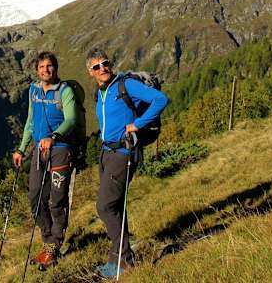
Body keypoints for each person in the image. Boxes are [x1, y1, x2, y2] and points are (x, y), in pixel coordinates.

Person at [86, 48, 168, 278]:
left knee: (105, 207)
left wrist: (138, 124)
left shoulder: (126, 85)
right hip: (107, 153)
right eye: (96, 66)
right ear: (90, 72)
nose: (102, 68)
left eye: (105, 63)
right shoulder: (100, 92)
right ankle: (120, 259)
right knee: (116, 205)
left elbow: (161, 99)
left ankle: (123, 261)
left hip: (124, 152)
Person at [13, 51, 77, 268]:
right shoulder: (34, 91)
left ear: (55, 68)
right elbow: (30, 121)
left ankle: (54, 247)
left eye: (49, 66)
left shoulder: (65, 91)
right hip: (39, 151)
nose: (45, 70)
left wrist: (54, 136)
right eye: (41, 67)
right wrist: (21, 149)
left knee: (57, 201)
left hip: (60, 150)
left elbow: (71, 119)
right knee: (35, 197)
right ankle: (48, 240)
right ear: (36, 70)